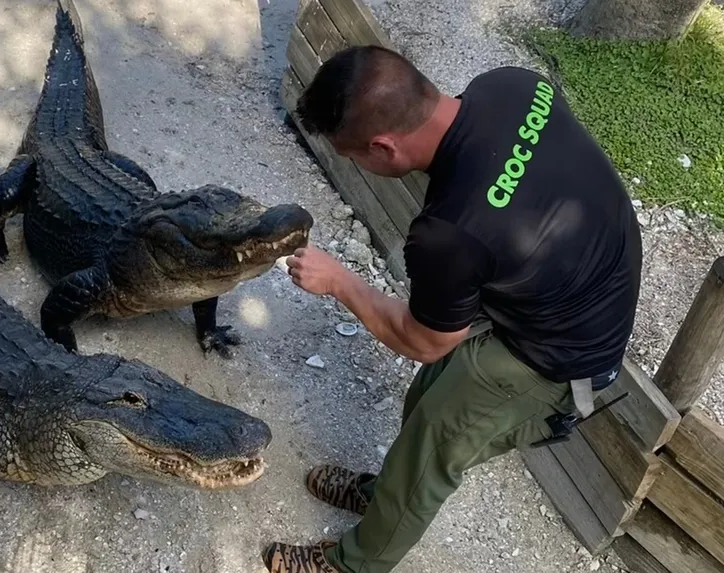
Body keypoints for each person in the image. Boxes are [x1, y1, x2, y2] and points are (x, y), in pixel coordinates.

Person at [262, 45, 642, 573]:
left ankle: (352, 565)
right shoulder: (511, 85)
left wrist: (340, 282)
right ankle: (383, 498)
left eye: (354, 158)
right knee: (427, 400)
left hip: (563, 362)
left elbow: (425, 341)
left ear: (383, 147)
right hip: (575, 290)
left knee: (434, 445)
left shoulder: (451, 234)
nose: (361, 167)